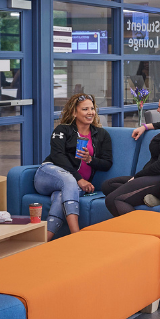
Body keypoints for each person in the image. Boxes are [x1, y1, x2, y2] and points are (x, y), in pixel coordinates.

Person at [35, 94, 113, 240]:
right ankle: (76, 235)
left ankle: (43, 241)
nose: (90, 112)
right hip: (48, 174)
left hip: (74, 185)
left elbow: (107, 163)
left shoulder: (102, 135)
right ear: (74, 112)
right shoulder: (62, 130)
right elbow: (58, 157)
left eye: (92, 108)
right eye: (85, 109)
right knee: (68, 180)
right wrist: (79, 179)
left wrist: (90, 160)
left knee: (61, 196)